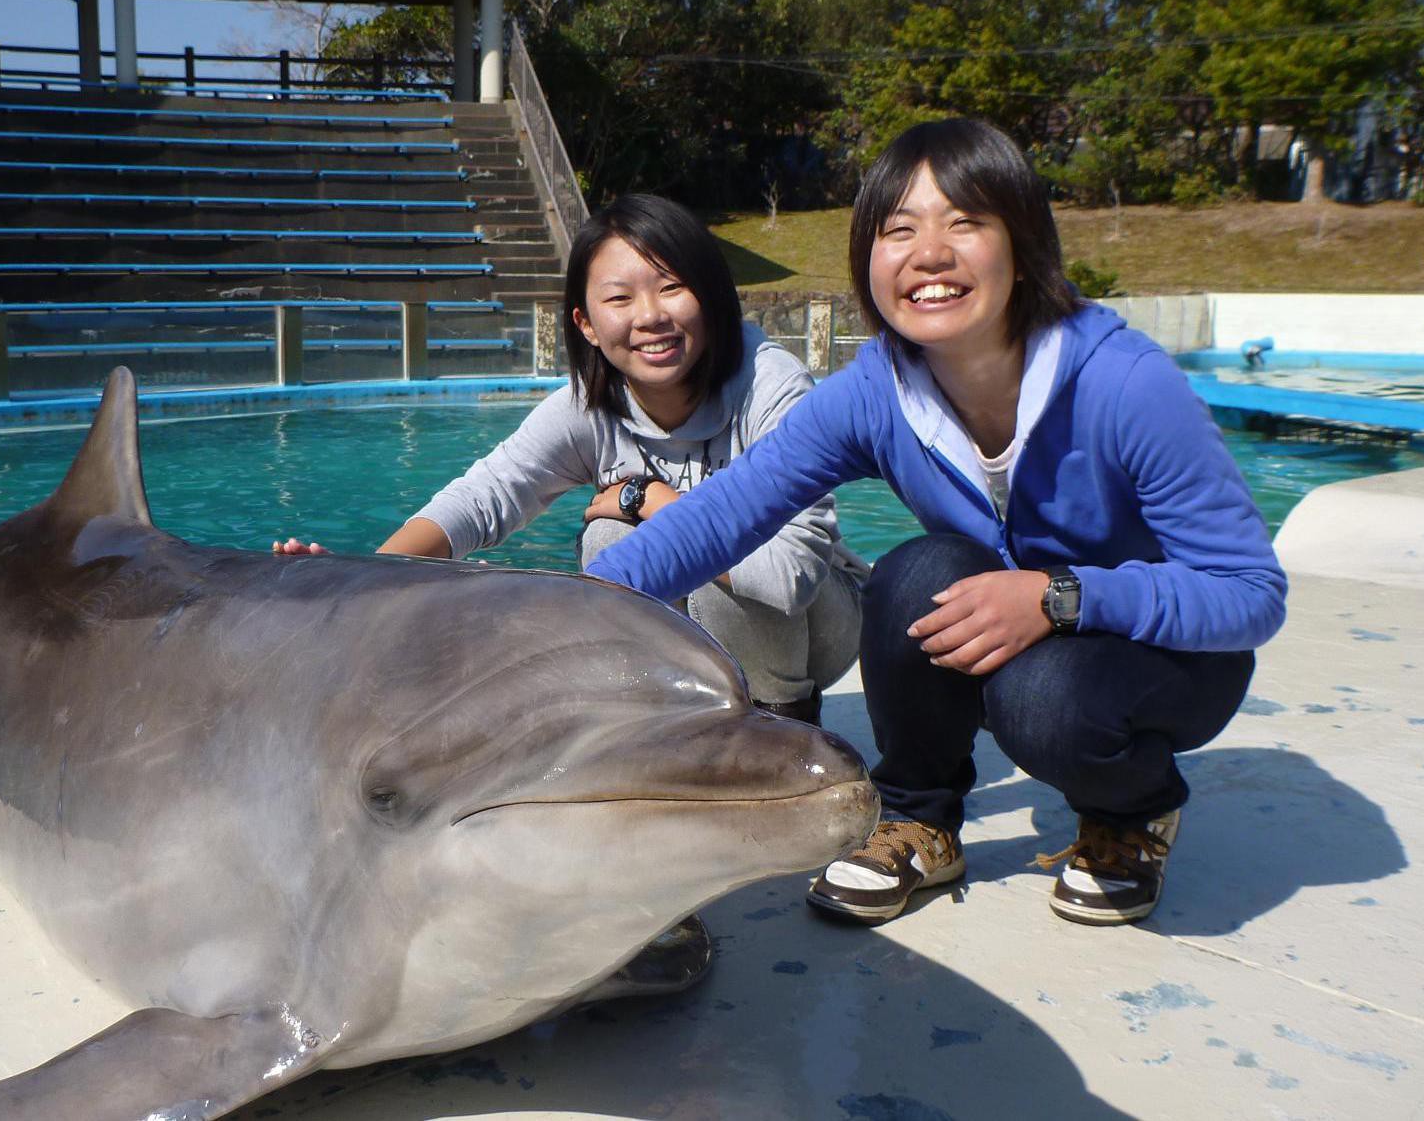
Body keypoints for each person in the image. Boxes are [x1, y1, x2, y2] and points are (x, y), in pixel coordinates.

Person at [586, 119, 1286, 928]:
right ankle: (921, 818)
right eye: (899, 229)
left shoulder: (1124, 384)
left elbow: (1249, 594)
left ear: (1021, 241)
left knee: (1041, 699)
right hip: (1028, 631)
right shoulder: (878, 390)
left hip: (1164, 653)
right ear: (870, 257)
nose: (929, 254)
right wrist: (557, 620)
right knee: (914, 573)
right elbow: (722, 516)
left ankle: (1134, 812)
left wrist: (1061, 597)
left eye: (965, 222)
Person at [277, 193, 870, 724]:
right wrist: (361, 586)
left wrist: (649, 500)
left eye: (671, 287)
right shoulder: (590, 407)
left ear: (710, 297)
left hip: (819, 628)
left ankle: (782, 725)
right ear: (585, 324)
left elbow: (790, 576)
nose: (649, 317)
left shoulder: (769, 385)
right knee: (610, 539)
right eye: (619, 298)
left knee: (701, 560)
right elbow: (483, 498)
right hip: (707, 643)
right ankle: (660, 723)